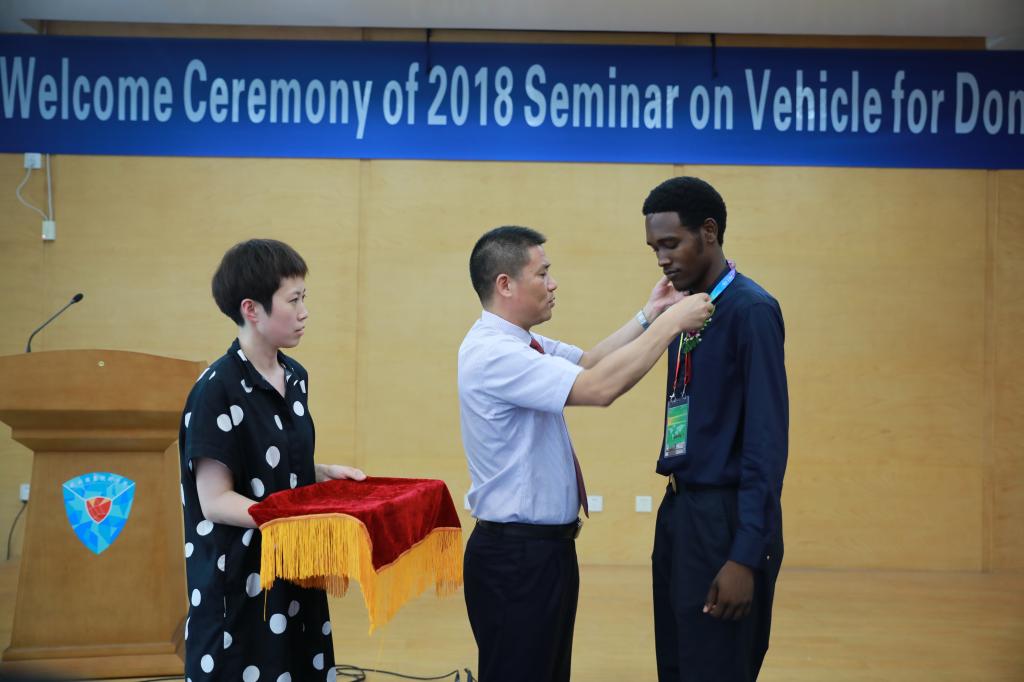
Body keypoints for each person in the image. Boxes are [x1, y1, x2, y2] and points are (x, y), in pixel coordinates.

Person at [458, 225, 714, 682]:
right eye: (543, 273)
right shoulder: (495, 354)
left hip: (542, 552)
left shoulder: (523, 343)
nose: (553, 283)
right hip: (516, 558)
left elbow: (589, 363)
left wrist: (651, 314)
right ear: (505, 284)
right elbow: (599, 388)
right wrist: (673, 324)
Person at [178, 239, 365, 682]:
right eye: (293, 300)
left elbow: (266, 464)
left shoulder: (295, 377)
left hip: (294, 569)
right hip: (241, 583)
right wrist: (287, 518)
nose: (304, 312)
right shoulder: (216, 388)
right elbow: (215, 501)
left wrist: (322, 473)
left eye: (304, 299)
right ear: (252, 310)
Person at [641, 177, 788, 682]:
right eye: (654, 248)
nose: (662, 259)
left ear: (708, 232)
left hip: (726, 522)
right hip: (680, 513)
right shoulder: (685, 312)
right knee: (677, 666)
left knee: (717, 667)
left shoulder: (751, 310)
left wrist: (745, 555)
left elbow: (766, 443)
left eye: (670, 243)